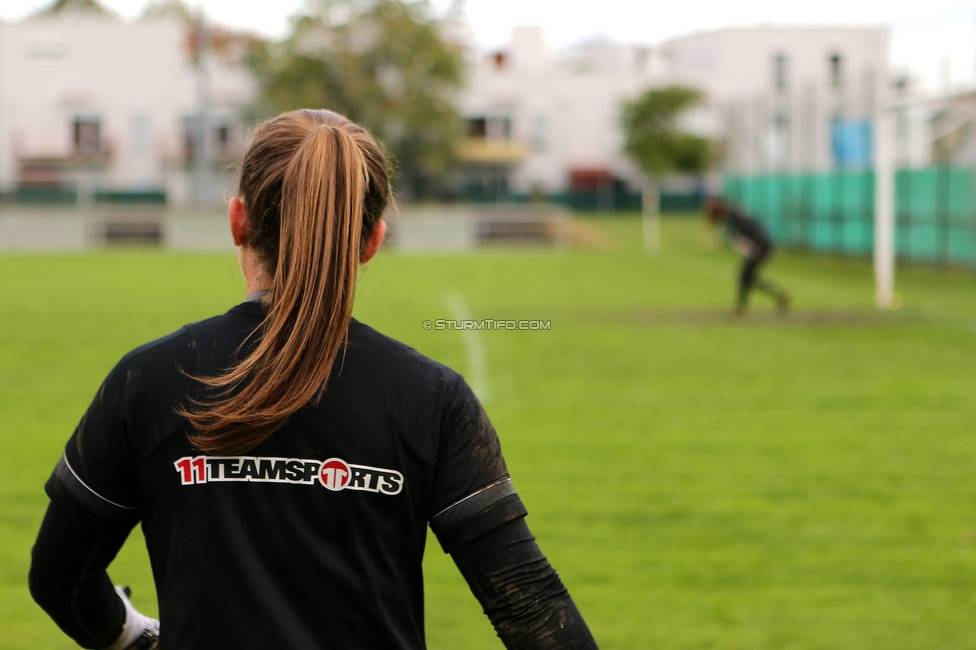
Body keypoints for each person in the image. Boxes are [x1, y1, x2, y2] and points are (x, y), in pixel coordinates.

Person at [29, 109, 599, 650]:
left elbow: (59, 577)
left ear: (237, 221)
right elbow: (531, 607)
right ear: (373, 241)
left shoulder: (147, 380)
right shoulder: (431, 398)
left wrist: (132, 635)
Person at [705, 197, 790, 317]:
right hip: (759, 247)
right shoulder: (735, 214)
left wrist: (760, 246)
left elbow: (753, 228)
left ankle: (741, 308)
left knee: (745, 276)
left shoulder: (735, 217)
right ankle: (778, 294)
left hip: (759, 248)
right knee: (748, 277)